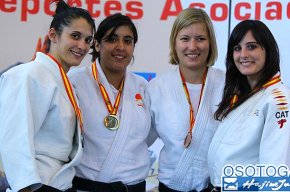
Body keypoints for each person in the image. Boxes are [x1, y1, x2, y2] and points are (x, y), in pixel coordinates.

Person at [0, 0, 95, 191]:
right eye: (75, 36)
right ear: (53, 35)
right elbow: (15, 141)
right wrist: (28, 187)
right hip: (36, 185)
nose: (82, 46)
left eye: (88, 40)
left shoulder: (62, 81)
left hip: (59, 183)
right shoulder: (27, 74)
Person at [68, 13, 151, 192]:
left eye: (128, 41)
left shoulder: (142, 86)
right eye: (112, 39)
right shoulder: (75, 82)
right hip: (88, 187)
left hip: (135, 186)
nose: (121, 47)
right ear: (97, 44)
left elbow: (147, 137)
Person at [146, 8, 225, 192]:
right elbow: (139, 140)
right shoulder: (157, 87)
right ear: (174, 43)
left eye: (200, 38)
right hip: (171, 185)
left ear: (211, 43)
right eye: (185, 39)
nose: (193, 46)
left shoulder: (228, 85)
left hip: (215, 186)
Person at [208, 20, 290, 191]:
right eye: (237, 48)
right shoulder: (241, 93)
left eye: (251, 47)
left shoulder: (278, 99)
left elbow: (274, 170)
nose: (243, 54)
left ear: (267, 50)